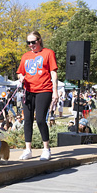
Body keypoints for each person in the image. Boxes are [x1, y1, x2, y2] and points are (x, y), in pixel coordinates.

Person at [17, 31, 58, 161]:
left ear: (39, 40)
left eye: (33, 42)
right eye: (28, 43)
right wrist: (21, 77)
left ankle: (46, 148)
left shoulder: (48, 53)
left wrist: (55, 92)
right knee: (27, 120)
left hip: (44, 89)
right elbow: (20, 72)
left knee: (40, 119)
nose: (31, 45)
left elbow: (53, 73)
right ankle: (28, 149)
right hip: (28, 90)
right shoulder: (25, 56)